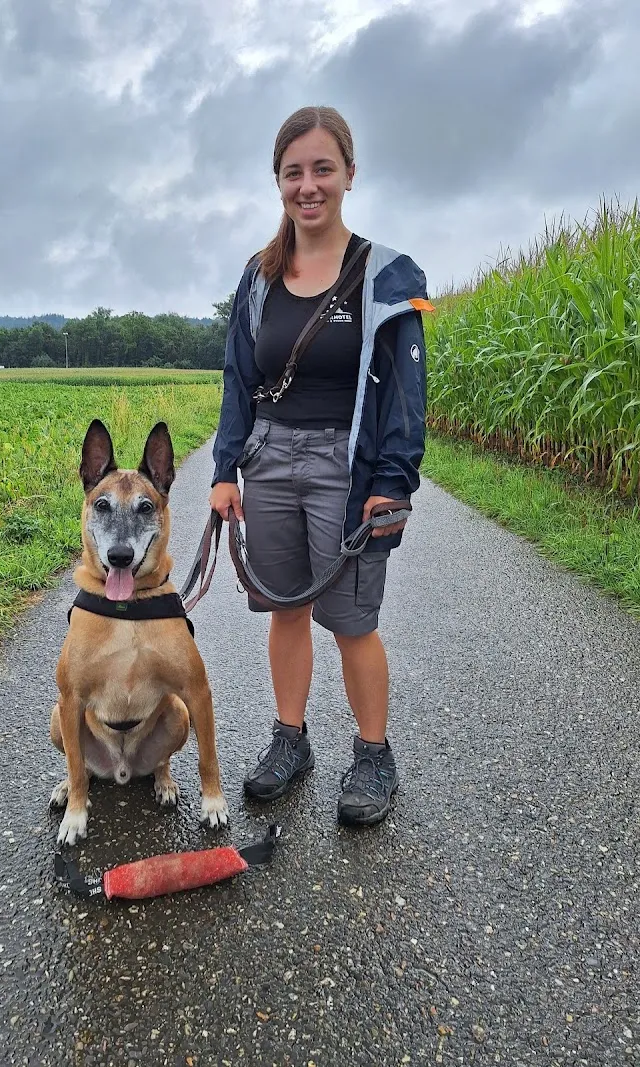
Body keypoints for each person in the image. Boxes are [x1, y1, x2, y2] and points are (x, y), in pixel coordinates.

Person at [209, 105, 432, 826]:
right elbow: (238, 380)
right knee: (286, 608)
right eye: (293, 172)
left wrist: (391, 483)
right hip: (270, 459)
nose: (308, 186)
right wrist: (224, 471)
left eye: (322, 169)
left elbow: (405, 394)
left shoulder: (385, 275)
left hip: (348, 464)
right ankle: (291, 739)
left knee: (351, 619)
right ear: (278, 181)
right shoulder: (259, 277)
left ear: (349, 175)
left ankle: (373, 755)